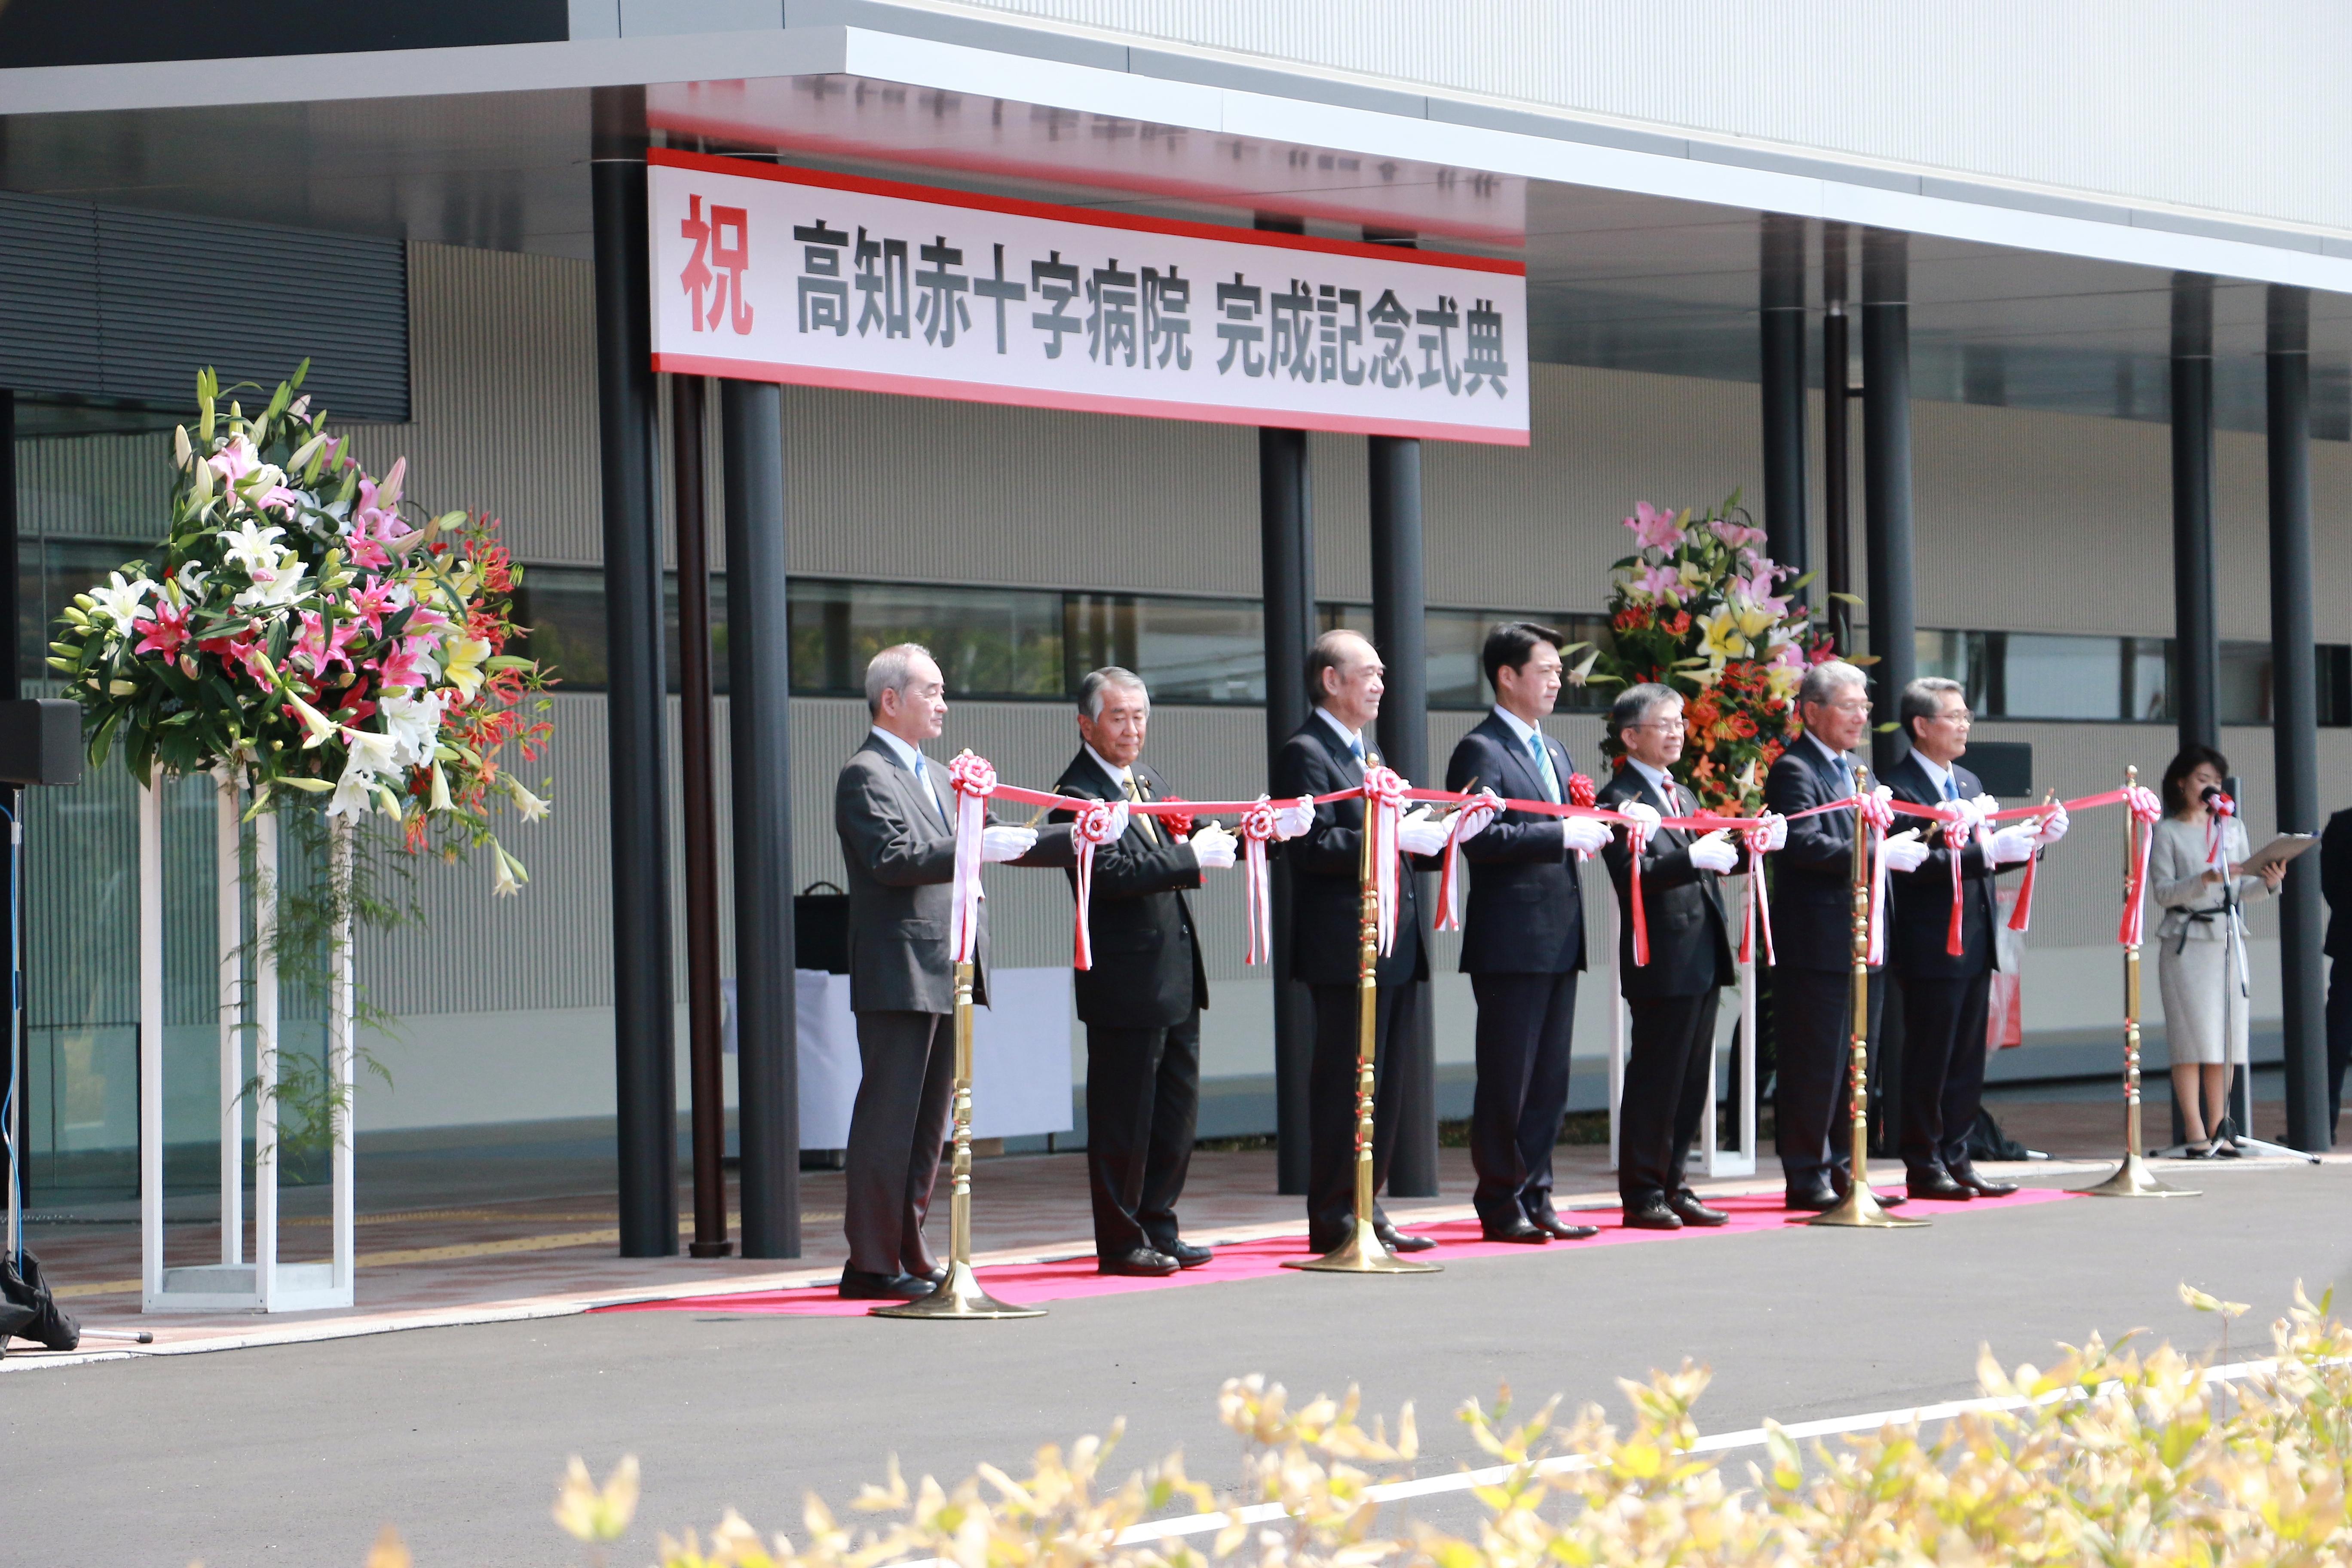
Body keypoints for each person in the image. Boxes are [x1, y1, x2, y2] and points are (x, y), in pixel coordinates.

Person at [832, 643, 1079, 1301]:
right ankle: (871, 1261)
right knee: (890, 1117)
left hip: (948, 961)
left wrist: (1079, 836)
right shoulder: (865, 774)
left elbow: (1003, 837)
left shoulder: (940, 776)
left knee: (927, 1124)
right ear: (891, 700)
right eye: (931, 691)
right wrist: (973, 845)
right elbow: (893, 857)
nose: (943, 703)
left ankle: (907, 1246)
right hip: (900, 964)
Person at [1049, 668, 1243, 1277]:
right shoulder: (1076, 793)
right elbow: (1111, 875)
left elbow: (1183, 838)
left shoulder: (1146, 780)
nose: (1132, 729)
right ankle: (1121, 1238)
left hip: (1176, 973)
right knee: (1124, 1117)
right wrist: (1191, 856)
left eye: (1139, 717)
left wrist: (1250, 835)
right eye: (1118, 717)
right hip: (1125, 981)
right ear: (1087, 724)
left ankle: (1160, 1223)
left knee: (1174, 1112)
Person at [1273, 628, 1458, 1256]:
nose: (1380, 684)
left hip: (1391, 940)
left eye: (1382, 673)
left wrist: (1440, 836)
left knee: (1386, 1085)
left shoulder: (1366, 750)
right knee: (1345, 1084)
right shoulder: (1306, 752)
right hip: (1343, 943)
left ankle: (1368, 1204)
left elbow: (1388, 843)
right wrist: (1391, 839)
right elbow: (1312, 845)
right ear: (1332, 680)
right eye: (1369, 673)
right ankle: (1334, 1214)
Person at [1442, 622, 1615, 1243]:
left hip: (1560, 934)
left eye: (1557, 670)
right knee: (1509, 1077)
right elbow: (1476, 837)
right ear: (1506, 677)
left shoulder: (1557, 750)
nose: (1556, 681)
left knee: (1549, 1079)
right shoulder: (1482, 750)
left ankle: (1538, 1193)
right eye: (1544, 670)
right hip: (1511, 939)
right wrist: (1559, 835)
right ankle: (1500, 1199)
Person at [1880, 678, 2067, 1200]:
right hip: (1929, 939)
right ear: (1921, 726)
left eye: (1967, 717)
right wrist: (1987, 852)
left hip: (1975, 935)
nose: (1965, 726)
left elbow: (1987, 855)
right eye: (1954, 717)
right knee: (1930, 1056)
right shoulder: (1898, 790)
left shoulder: (1966, 780)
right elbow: (1915, 866)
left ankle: (1959, 1158)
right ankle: (1924, 1162)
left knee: (1965, 1057)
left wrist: (2030, 843)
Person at [1594, 683, 1750, 1230]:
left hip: (1700, 950)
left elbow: (1705, 862)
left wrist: (1748, 849)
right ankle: (1641, 1193)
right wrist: (1694, 860)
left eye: (1680, 722)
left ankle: (1674, 1183)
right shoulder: (1618, 801)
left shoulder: (1679, 795)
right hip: (1659, 955)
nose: (1677, 732)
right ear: (1631, 735)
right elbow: (1630, 876)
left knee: (1690, 1081)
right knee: (1657, 1079)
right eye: (1664, 724)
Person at [1762, 659, 1908, 1211]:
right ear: (1813, 711)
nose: (1861, 717)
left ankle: (1850, 1170)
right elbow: (1803, 844)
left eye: (1865, 707)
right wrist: (1878, 854)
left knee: (1856, 1062)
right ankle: (1806, 1173)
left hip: (1861, 938)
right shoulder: (1795, 769)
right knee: (1815, 1063)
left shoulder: (1855, 768)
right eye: (1850, 707)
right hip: (1818, 939)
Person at [2149, 745, 2282, 1157]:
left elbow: (2242, 888)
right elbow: (2163, 893)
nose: (2212, 788)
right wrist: (2204, 878)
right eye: (2204, 779)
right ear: (2182, 782)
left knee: (2224, 1038)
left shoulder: (2232, 829)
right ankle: (2194, 1130)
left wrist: (2271, 881)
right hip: (2186, 941)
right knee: (2193, 1038)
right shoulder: (2167, 831)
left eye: (2218, 782)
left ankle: (2218, 1126)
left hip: (2226, 938)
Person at [2323, 805, 2352, 1144]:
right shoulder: (2342, 825)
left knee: (2339, 1034)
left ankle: (2323, 1123)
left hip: (2349, 939)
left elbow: (2330, 886)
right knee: (2338, 1035)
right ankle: (2322, 1121)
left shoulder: (2343, 825)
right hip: (2350, 943)